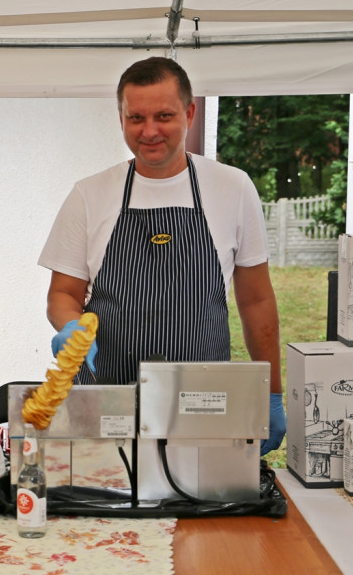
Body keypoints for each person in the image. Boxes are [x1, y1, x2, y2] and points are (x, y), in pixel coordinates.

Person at [38, 56, 286, 456]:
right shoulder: (89, 194)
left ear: (189, 112)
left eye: (164, 116)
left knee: (203, 512)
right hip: (107, 403)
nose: (149, 131)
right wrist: (72, 328)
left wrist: (271, 393)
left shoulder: (232, 188)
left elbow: (257, 301)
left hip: (203, 407)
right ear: (120, 118)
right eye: (136, 118)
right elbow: (62, 294)